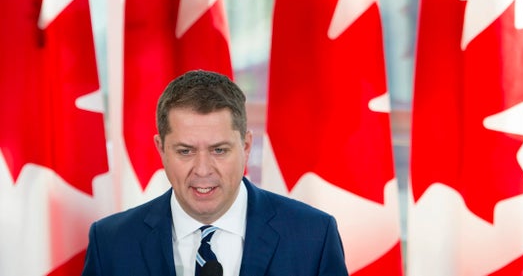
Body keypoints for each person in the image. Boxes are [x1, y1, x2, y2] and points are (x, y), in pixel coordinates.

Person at [82, 69, 349, 276]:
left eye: (219, 150)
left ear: (245, 146)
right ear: (161, 149)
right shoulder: (111, 244)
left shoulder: (313, 236)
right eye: (185, 151)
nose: (202, 169)